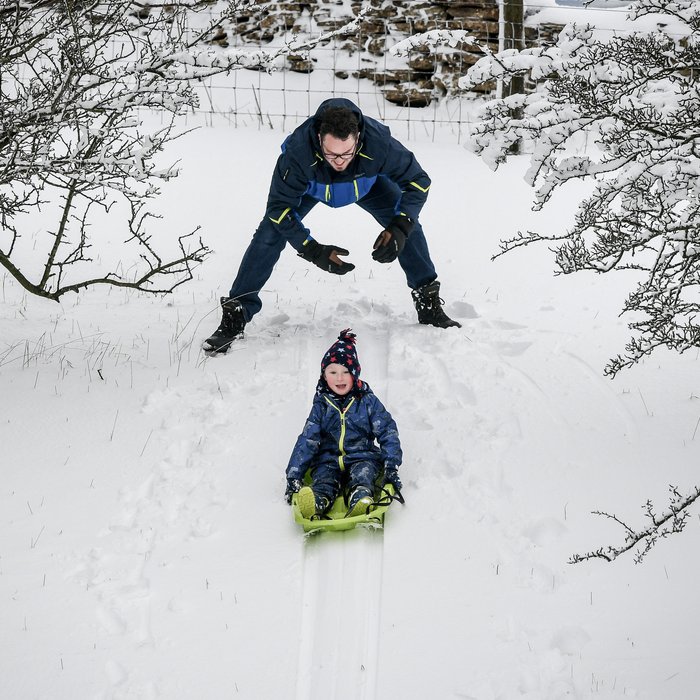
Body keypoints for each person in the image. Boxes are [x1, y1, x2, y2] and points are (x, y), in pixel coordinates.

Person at [203, 97, 461, 353]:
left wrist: (400, 227)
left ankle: (429, 305)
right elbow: (278, 209)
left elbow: (418, 181)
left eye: (347, 153)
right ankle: (235, 317)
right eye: (331, 154)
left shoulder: (379, 145)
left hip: (367, 186)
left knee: (409, 227)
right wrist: (312, 250)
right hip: (313, 189)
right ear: (318, 138)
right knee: (269, 233)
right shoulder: (297, 153)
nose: (339, 161)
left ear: (358, 138)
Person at [284, 329, 402, 518]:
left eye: (345, 372)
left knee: (363, 476)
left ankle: (361, 499)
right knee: (323, 481)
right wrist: (294, 475)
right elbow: (308, 440)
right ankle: (316, 502)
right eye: (333, 372)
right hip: (328, 460)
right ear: (324, 375)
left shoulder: (367, 401)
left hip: (362, 457)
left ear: (355, 373)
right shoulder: (321, 406)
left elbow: (388, 432)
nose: (339, 378)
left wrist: (391, 464)